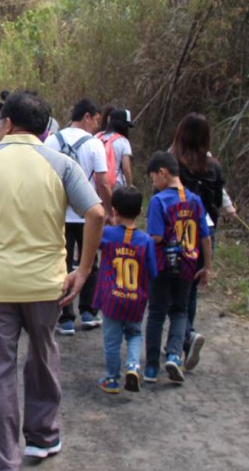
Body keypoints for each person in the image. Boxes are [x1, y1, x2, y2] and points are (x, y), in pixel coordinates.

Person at [0, 91, 105, 471]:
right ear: (46, 129)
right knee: (43, 353)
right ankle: (43, 437)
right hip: (46, 285)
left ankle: (3, 465)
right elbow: (96, 213)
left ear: (5, 124)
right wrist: (83, 270)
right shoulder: (60, 163)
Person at [170, 112, 236, 371]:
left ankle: (184, 337)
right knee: (192, 286)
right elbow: (218, 200)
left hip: (178, 231)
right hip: (206, 232)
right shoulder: (214, 167)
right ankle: (183, 338)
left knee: (173, 288)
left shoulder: (175, 163)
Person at [143, 151, 212, 384]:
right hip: (188, 264)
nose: (154, 183)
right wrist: (207, 267)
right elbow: (205, 237)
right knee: (180, 311)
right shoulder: (194, 200)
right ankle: (174, 354)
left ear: (163, 173)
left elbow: (156, 237)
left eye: (153, 178)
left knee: (156, 313)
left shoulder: (159, 201)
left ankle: (151, 367)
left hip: (162, 265)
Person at [45, 99, 111, 335]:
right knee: (89, 261)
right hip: (87, 215)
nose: (96, 125)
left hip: (58, 214)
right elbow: (103, 182)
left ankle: (65, 317)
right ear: (86, 116)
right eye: (95, 120)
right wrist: (108, 210)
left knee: (60, 262)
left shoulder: (52, 140)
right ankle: (89, 311)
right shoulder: (94, 144)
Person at [93, 185, 158, 394]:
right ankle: (132, 365)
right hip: (135, 299)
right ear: (140, 211)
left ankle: (112, 378)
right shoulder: (146, 240)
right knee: (134, 334)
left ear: (115, 210)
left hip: (112, 299)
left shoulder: (108, 234)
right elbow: (153, 270)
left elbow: (93, 242)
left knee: (112, 340)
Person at [97, 108, 135, 188]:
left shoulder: (97, 136)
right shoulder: (123, 141)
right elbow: (126, 168)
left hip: (96, 182)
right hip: (116, 183)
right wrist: (130, 185)